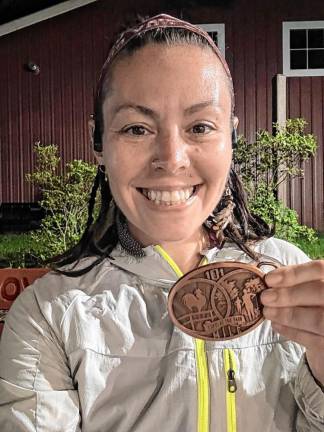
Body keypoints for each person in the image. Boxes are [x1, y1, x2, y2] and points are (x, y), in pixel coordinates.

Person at [0, 13, 323, 432]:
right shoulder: (49, 316)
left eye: (201, 126)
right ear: (98, 144)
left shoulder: (290, 280)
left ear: (231, 138)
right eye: (137, 128)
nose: (171, 158)